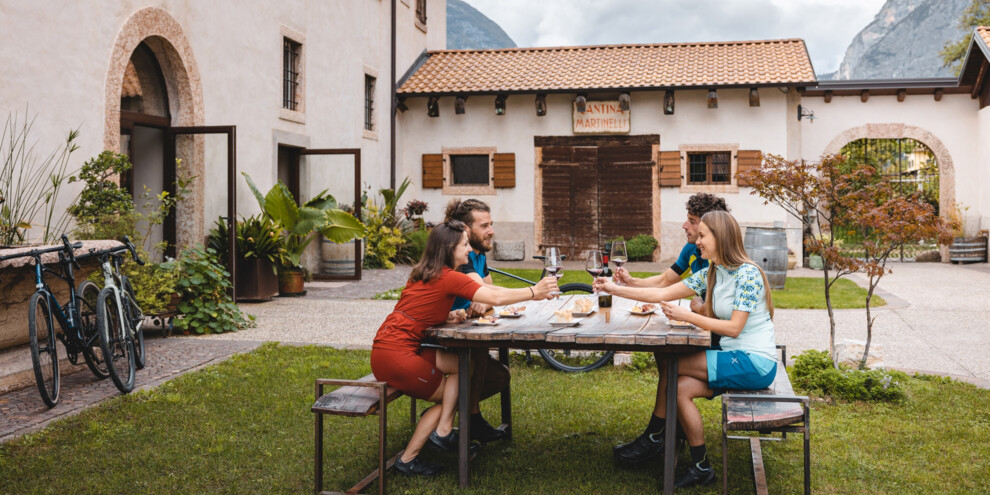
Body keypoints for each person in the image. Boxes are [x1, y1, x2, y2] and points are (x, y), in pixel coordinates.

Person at [594, 211, 777, 488]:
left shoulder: (748, 274)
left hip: (754, 362)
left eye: (703, 236)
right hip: (733, 358)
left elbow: (734, 328)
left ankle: (656, 435)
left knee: (671, 363)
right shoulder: (714, 272)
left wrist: (689, 316)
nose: (698, 242)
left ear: (722, 237)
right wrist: (615, 288)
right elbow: (661, 294)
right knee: (680, 389)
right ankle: (701, 466)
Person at [371, 220, 557, 476]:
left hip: (390, 347)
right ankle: (412, 455)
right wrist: (534, 291)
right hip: (396, 355)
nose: (470, 250)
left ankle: (444, 430)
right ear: (449, 248)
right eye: (465, 244)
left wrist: (449, 316)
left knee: (463, 365)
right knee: (451, 396)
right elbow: (494, 296)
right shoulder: (449, 278)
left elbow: (416, 312)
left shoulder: (422, 273)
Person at [610, 192, 729, 465]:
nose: (685, 226)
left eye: (691, 220)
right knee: (664, 354)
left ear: (710, 226)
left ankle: (657, 434)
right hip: (706, 332)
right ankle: (663, 431)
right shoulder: (691, 252)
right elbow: (665, 280)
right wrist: (631, 282)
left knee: (670, 358)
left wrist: (698, 309)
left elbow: (715, 311)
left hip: (722, 344)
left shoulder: (722, 260)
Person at [443, 198, 510, 443]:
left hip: (466, 333)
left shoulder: (478, 255)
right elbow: (489, 294)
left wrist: (485, 299)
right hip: (443, 338)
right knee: (487, 365)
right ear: (467, 231)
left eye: (491, 224)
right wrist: (486, 298)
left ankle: (468, 418)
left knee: (500, 373)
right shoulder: (460, 257)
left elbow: (488, 296)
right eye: (484, 226)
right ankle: (454, 416)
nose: (491, 231)